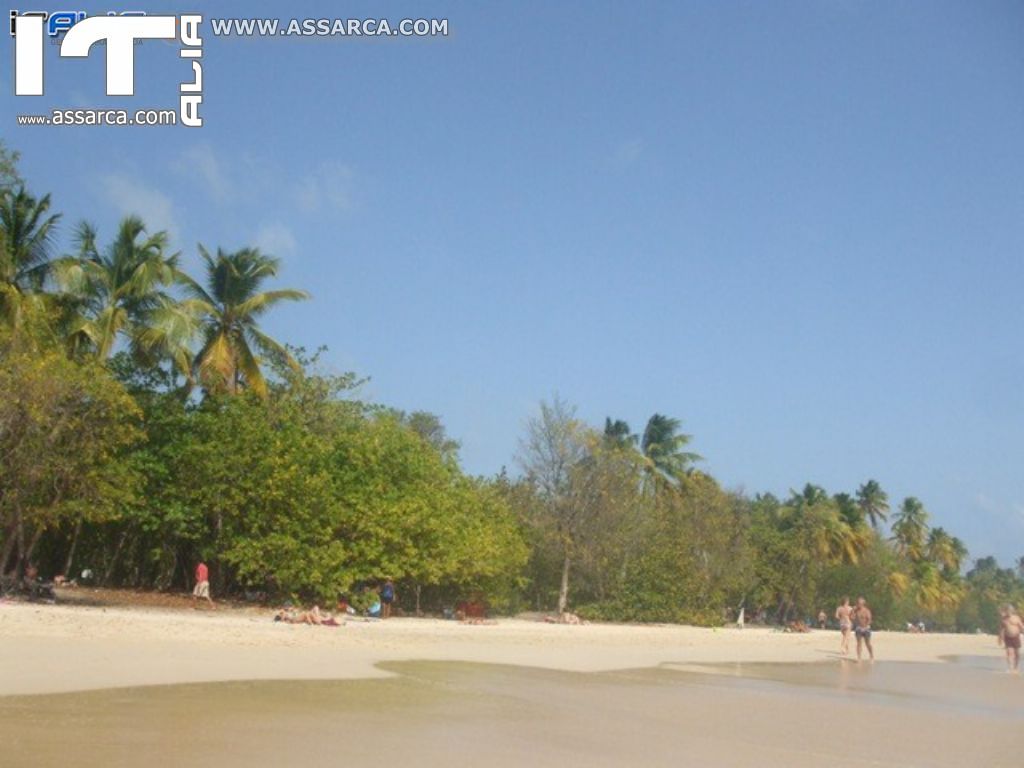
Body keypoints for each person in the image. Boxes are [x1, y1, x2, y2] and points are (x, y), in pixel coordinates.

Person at [999, 605, 1023, 674]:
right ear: (1006, 611)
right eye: (1007, 610)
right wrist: (1000, 638)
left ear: (1012, 611)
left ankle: (1016, 668)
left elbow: (1021, 626)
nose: (1008, 612)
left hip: (1016, 637)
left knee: (1017, 654)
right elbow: (1001, 630)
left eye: (1010, 610)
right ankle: (1010, 668)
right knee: (1009, 653)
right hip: (1008, 637)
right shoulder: (1004, 619)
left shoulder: (1016, 618)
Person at [853, 596, 874, 662]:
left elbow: (869, 620)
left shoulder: (866, 611)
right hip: (858, 628)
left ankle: (871, 655)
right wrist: (852, 610)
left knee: (867, 643)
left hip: (866, 628)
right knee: (859, 643)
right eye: (857, 603)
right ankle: (859, 657)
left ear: (862, 604)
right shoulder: (856, 611)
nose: (858, 604)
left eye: (859, 603)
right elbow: (851, 618)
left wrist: (865, 626)